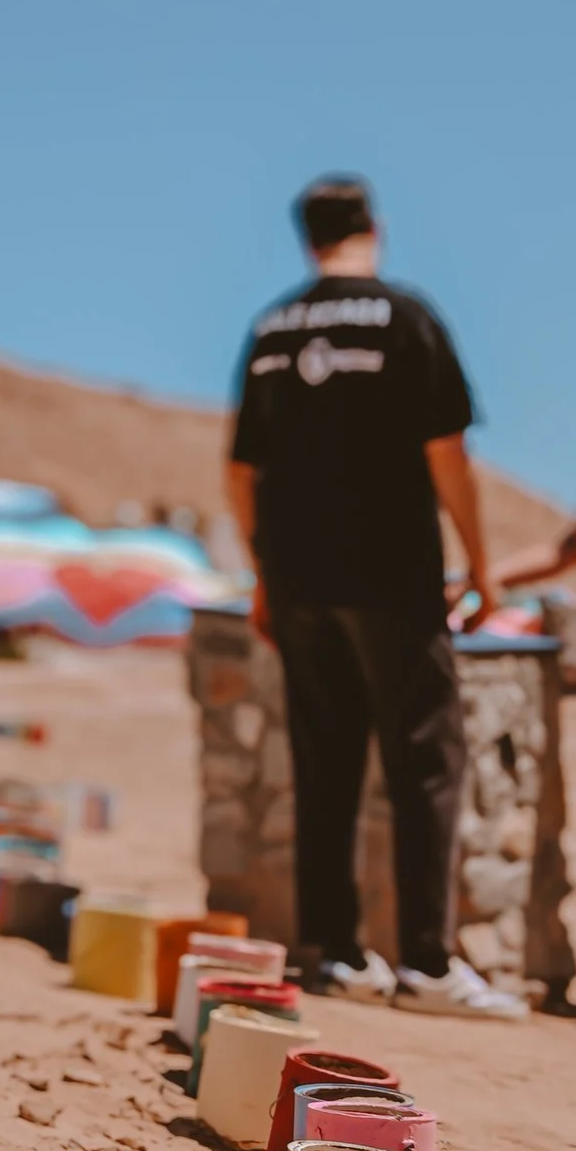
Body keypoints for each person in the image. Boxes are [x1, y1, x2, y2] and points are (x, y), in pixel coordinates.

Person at [225, 174, 525, 1018]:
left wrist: (262, 575)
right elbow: (448, 456)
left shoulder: (271, 328)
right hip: (393, 578)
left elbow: (240, 470)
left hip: (299, 585)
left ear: (307, 237)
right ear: (375, 229)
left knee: (327, 761)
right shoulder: (406, 316)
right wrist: (483, 564)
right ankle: (427, 965)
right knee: (426, 759)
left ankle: (336, 955)